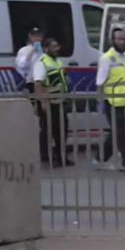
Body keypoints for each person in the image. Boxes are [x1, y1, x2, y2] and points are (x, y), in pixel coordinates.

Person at [97, 28, 125, 172]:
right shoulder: (107, 58)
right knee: (122, 132)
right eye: (119, 39)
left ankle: (100, 158)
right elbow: (100, 82)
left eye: (124, 39)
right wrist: (100, 101)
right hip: (112, 101)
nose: (122, 41)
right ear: (112, 40)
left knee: (117, 131)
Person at [32, 37, 73, 168]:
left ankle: (61, 157)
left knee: (61, 131)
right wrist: (43, 103)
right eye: (54, 46)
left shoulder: (57, 61)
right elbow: (38, 84)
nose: (57, 49)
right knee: (47, 131)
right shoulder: (41, 63)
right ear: (46, 48)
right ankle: (46, 157)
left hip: (59, 101)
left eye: (57, 46)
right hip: (49, 103)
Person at [15, 27, 44, 93]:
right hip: (31, 81)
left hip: (43, 81)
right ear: (30, 37)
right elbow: (22, 65)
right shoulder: (24, 50)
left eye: (39, 36)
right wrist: (32, 51)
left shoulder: (43, 51)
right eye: (35, 36)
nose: (37, 38)